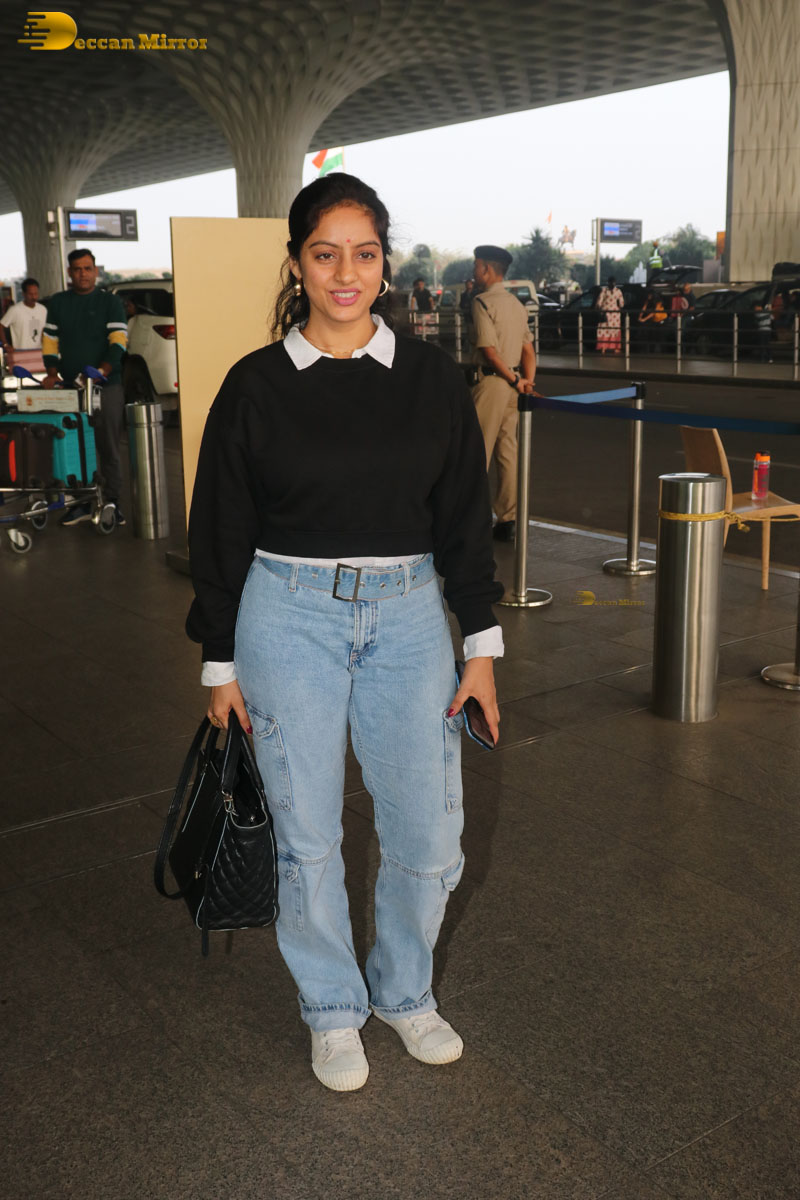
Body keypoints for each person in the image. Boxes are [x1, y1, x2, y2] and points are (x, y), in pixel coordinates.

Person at [186, 173, 504, 1093]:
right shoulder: (255, 385)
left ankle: (405, 992)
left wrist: (481, 649)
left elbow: (464, 521)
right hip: (286, 614)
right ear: (296, 263)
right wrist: (218, 662)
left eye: (363, 254)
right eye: (324, 254)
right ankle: (331, 1007)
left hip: (410, 616)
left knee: (430, 835)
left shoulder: (429, 378)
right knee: (307, 834)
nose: (345, 273)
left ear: (384, 264)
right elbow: (220, 530)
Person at [42, 248, 128, 525]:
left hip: (106, 386)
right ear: (69, 272)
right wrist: (51, 373)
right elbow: (50, 341)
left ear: (95, 271)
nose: (83, 274)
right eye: (77, 269)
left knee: (108, 446)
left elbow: (118, 341)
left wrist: (102, 371)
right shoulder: (58, 303)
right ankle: (81, 502)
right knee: (75, 445)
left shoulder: (109, 302)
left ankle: (112, 503)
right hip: (71, 387)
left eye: (88, 268)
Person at [470, 244, 535, 543]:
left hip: (493, 383)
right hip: (513, 386)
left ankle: (472, 518)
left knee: (477, 451)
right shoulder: (516, 304)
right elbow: (528, 350)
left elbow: (489, 351)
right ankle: (508, 518)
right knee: (508, 452)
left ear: (486, 269)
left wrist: (513, 378)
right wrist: (526, 382)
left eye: (476, 266)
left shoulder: (482, 302)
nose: (474, 271)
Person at [0, 278, 47, 365]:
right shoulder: (15, 310)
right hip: (20, 353)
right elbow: (1, 326)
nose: (34, 297)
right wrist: (6, 345)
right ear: (24, 294)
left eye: (36, 293)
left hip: (39, 353)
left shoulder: (43, 310)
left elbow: (44, 330)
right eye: (31, 294)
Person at [595, 276, 624, 354]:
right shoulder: (618, 291)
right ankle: (614, 348)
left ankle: (603, 348)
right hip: (614, 314)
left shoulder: (604, 290)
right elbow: (621, 304)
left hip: (606, 313)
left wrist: (600, 309)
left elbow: (599, 302)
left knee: (604, 330)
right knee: (614, 330)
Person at [637, 289, 668, 353]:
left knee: (661, 335)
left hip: (661, 319)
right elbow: (644, 308)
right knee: (652, 335)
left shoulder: (659, 301)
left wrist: (644, 319)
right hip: (654, 320)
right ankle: (651, 350)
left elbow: (654, 312)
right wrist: (640, 316)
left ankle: (663, 351)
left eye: (649, 295)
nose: (648, 296)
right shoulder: (648, 300)